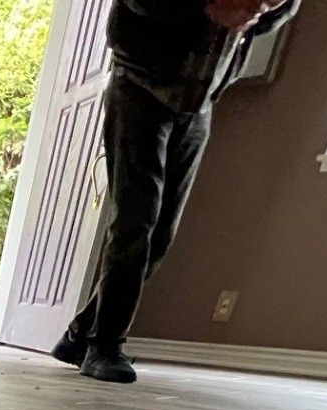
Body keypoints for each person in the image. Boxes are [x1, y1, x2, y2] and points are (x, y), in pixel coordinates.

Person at [52, 0, 300, 384]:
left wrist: (264, 8)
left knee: (161, 235)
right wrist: (207, 6)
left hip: (199, 101)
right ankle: (103, 346)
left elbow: (274, 15)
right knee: (136, 222)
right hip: (139, 84)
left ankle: (80, 334)